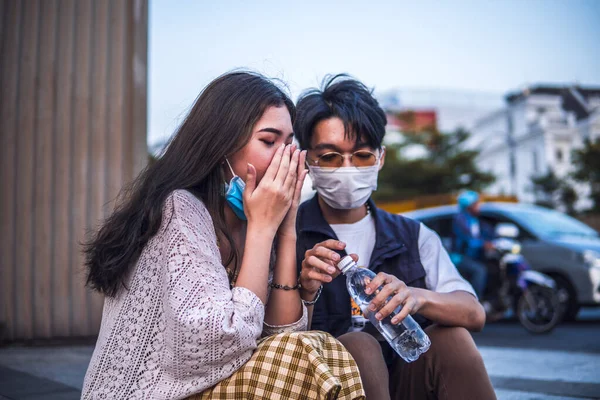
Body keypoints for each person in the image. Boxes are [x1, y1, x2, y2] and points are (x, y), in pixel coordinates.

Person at [81, 72, 364, 399]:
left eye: (289, 145)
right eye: (269, 141)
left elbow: (282, 334)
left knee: (322, 347)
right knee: (305, 353)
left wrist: (285, 229)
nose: (283, 159)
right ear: (222, 146)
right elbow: (220, 336)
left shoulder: (255, 226)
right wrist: (262, 228)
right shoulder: (180, 209)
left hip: (212, 389)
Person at [294, 75, 497, 400]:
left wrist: (417, 297)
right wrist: (302, 290)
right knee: (359, 344)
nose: (347, 169)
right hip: (321, 387)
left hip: (405, 381)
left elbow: (473, 313)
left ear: (381, 157)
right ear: (307, 161)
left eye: (361, 155)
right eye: (330, 157)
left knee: (452, 338)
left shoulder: (415, 236)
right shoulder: (285, 235)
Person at [452, 190, 493, 299]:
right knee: (480, 271)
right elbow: (468, 239)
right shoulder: (460, 220)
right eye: (476, 204)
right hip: (459, 257)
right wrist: (483, 244)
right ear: (469, 206)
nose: (479, 206)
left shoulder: (474, 220)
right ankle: (476, 302)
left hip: (473, 256)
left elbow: (486, 233)